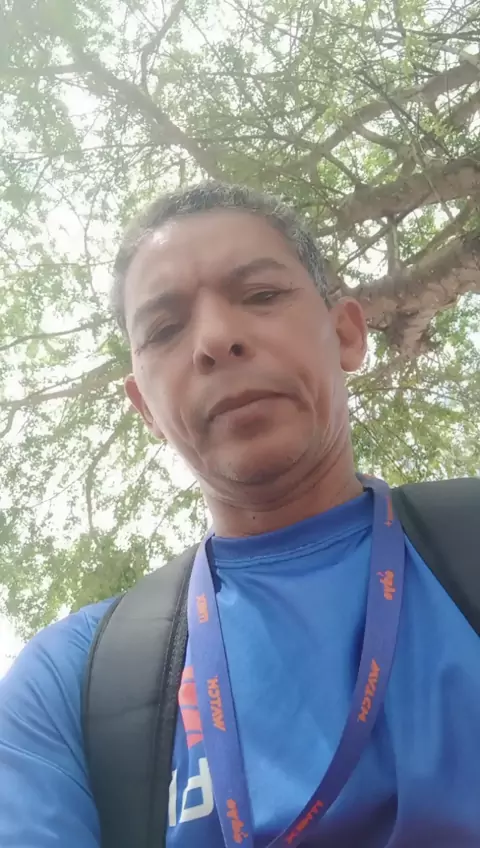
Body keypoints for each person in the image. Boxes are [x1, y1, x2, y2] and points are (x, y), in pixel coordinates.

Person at [1, 181, 479, 848]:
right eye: (165, 330)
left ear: (346, 334)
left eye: (261, 295)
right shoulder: (66, 688)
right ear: (145, 409)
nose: (217, 339)